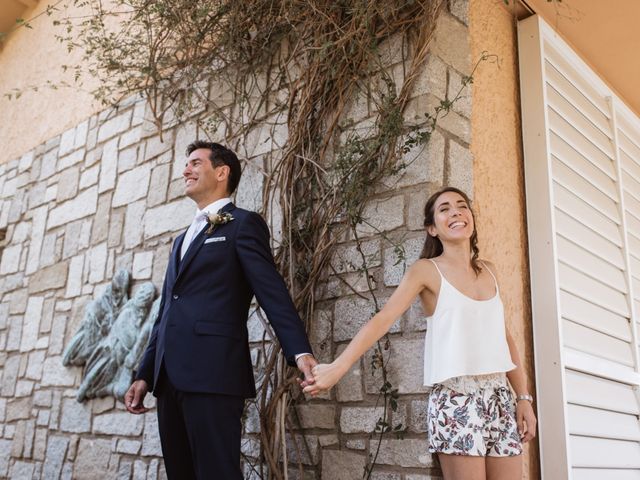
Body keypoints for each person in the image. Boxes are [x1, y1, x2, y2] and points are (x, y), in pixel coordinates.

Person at [304, 186, 536, 480]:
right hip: (456, 398)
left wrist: (523, 397)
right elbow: (383, 319)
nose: (456, 211)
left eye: (461, 205)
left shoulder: (489, 271)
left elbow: (505, 338)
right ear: (433, 228)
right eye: (445, 208)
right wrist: (338, 367)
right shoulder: (426, 271)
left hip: (500, 397)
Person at [125, 140, 317, 479]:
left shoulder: (243, 225)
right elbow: (165, 313)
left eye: (196, 163)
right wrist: (144, 373)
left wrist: (299, 352)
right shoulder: (180, 240)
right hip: (168, 379)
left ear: (222, 172)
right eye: (187, 164)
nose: (186, 170)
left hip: (213, 374)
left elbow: (272, 293)